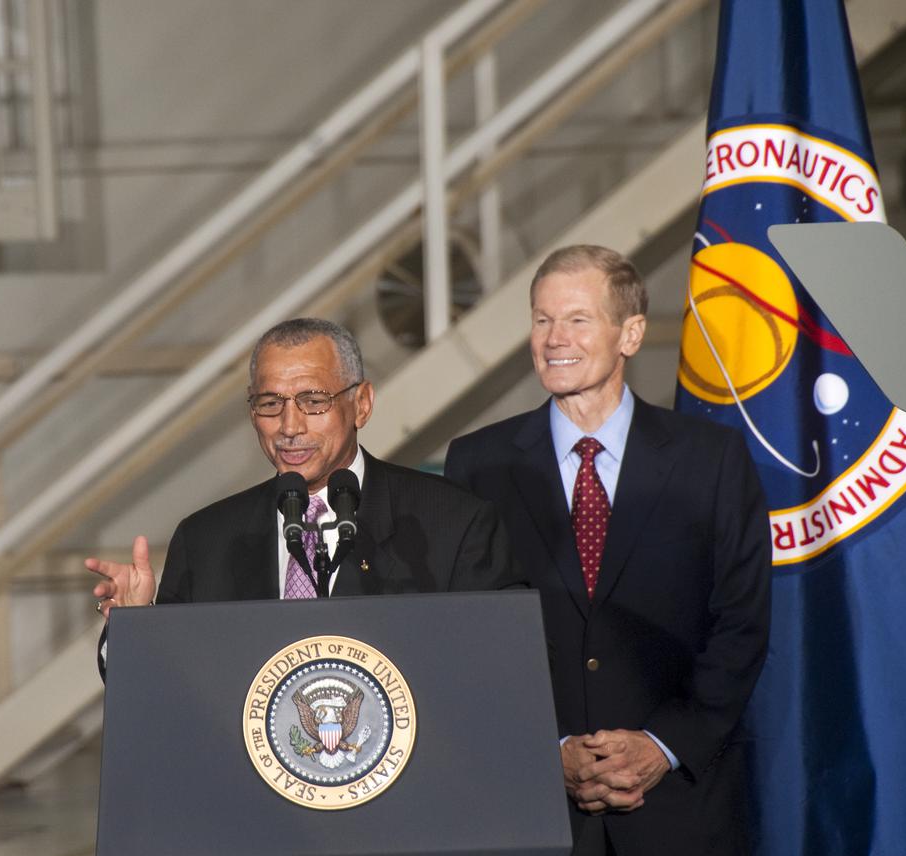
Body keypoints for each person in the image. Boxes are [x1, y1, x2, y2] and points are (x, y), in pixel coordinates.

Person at [444, 245, 771, 856]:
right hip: (533, 811)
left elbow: (742, 625)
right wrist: (550, 750)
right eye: (542, 319)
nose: (553, 338)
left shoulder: (713, 460)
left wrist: (660, 746)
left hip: (679, 809)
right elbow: (466, 636)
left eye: (577, 319)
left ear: (631, 333)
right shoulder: (476, 464)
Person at [88, 317, 520, 619]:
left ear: (362, 404)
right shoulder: (205, 542)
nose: (290, 427)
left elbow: (495, 662)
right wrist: (136, 627)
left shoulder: (453, 525)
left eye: (314, 402)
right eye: (270, 404)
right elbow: (174, 693)